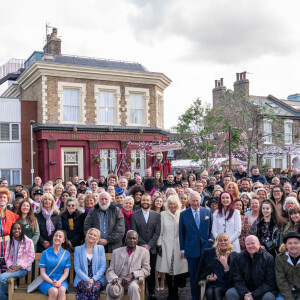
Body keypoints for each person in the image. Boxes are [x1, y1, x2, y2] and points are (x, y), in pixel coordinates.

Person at [179, 191, 214, 300]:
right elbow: (181, 233)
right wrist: (182, 249)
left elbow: (212, 229)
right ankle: (195, 296)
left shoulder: (207, 212)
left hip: (206, 248)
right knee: (194, 275)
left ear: (200, 200)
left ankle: (206, 295)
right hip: (191, 249)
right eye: (193, 201)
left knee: (206, 273)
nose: (195, 203)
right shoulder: (184, 214)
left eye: (197, 200)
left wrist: (211, 239)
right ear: (189, 201)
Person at [156, 195, 188, 300]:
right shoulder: (163, 214)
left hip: (179, 245)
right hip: (166, 244)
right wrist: (159, 244)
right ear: (167, 205)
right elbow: (160, 231)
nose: (172, 205)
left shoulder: (182, 214)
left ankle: (176, 291)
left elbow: (184, 231)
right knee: (168, 270)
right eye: (170, 203)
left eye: (174, 203)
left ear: (178, 204)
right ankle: (170, 292)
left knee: (178, 270)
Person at [225, 235, 277, 300]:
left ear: (259, 244)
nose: (250, 246)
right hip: (245, 291)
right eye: (248, 244)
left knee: (269, 297)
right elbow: (237, 279)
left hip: (262, 292)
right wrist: (245, 293)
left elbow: (270, 282)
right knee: (230, 293)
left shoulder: (269, 258)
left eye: (253, 243)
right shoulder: (239, 258)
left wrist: (253, 295)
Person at [130, 193, 161, 300]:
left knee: (151, 272)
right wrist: (143, 245)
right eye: (143, 200)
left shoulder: (157, 215)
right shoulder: (134, 215)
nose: (145, 202)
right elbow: (134, 232)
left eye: (147, 200)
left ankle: (151, 292)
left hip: (151, 249)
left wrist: (149, 245)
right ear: (140, 201)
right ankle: (139, 292)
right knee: (138, 270)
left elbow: (157, 232)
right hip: (138, 248)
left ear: (151, 201)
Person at [106, 230, 150, 300]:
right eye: (129, 238)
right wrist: (114, 278)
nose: (132, 240)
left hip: (134, 280)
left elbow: (146, 270)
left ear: (137, 241)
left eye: (134, 238)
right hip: (119, 280)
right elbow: (110, 270)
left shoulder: (144, 252)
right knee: (114, 289)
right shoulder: (116, 252)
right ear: (126, 240)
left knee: (134, 287)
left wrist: (132, 276)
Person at [193, 233, 237, 300]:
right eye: (220, 240)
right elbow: (201, 271)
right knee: (209, 292)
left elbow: (234, 276)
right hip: (212, 283)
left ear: (229, 242)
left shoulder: (234, 256)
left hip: (225, 283)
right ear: (217, 242)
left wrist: (226, 266)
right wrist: (208, 277)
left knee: (217, 291)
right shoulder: (209, 253)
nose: (223, 242)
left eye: (225, 240)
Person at [74, 228, 106, 300]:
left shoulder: (100, 249)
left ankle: (80, 296)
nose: (92, 236)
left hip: (97, 279)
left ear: (97, 238)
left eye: (95, 235)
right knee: (89, 289)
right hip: (82, 279)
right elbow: (77, 268)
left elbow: (103, 267)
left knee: (93, 289)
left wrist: (93, 279)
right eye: (90, 234)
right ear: (87, 235)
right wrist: (88, 279)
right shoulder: (78, 249)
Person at [38, 230, 72, 298]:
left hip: (61, 281)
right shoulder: (45, 253)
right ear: (53, 237)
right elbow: (42, 273)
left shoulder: (66, 254)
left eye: (60, 236)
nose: (57, 238)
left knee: (62, 290)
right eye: (56, 235)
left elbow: (66, 273)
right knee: (54, 291)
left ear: (63, 240)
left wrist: (59, 282)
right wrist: (52, 282)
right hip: (47, 281)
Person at [275, 232, 300, 300]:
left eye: (296, 243)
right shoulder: (279, 258)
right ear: (286, 245)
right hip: (285, 293)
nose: (293, 245)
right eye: (290, 243)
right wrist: (289, 298)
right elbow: (281, 281)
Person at [0, 188, 19, 273]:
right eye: (0, 197)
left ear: (7, 200)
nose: (2, 199)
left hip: (8, 245)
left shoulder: (12, 215)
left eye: (4, 197)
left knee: (6, 271)